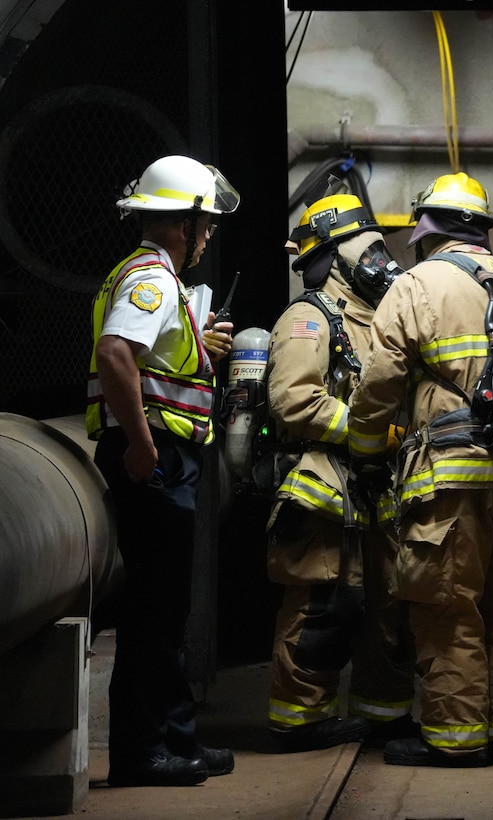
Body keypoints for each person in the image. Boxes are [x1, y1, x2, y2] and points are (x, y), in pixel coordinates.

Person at [346, 172, 493, 768]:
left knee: (448, 608)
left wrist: (365, 451)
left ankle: (456, 737)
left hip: (449, 476)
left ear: (425, 231)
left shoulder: (416, 285)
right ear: (481, 230)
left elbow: (379, 385)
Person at [87, 154, 240, 787]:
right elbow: (118, 353)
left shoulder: (160, 281)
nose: (207, 236)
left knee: (168, 608)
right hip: (155, 462)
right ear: (184, 224)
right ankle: (140, 751)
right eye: (204, 224)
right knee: (153, 611)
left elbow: (155, 362)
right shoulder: (150, 278)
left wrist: (204, 345)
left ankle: (176, 739)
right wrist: (145, 448)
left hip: (168, 460)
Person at [263, 191, 417, 753]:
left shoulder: (381, 319)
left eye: (382, 250)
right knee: (323, 607)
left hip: (380, 490)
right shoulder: (311, 317)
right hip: (327, 487)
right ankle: (298, 720)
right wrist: (372, 431)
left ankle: (385, 714)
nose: (382, 263)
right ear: (331, 259)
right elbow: (296, 402)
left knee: (388, 604)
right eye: (368, 252)